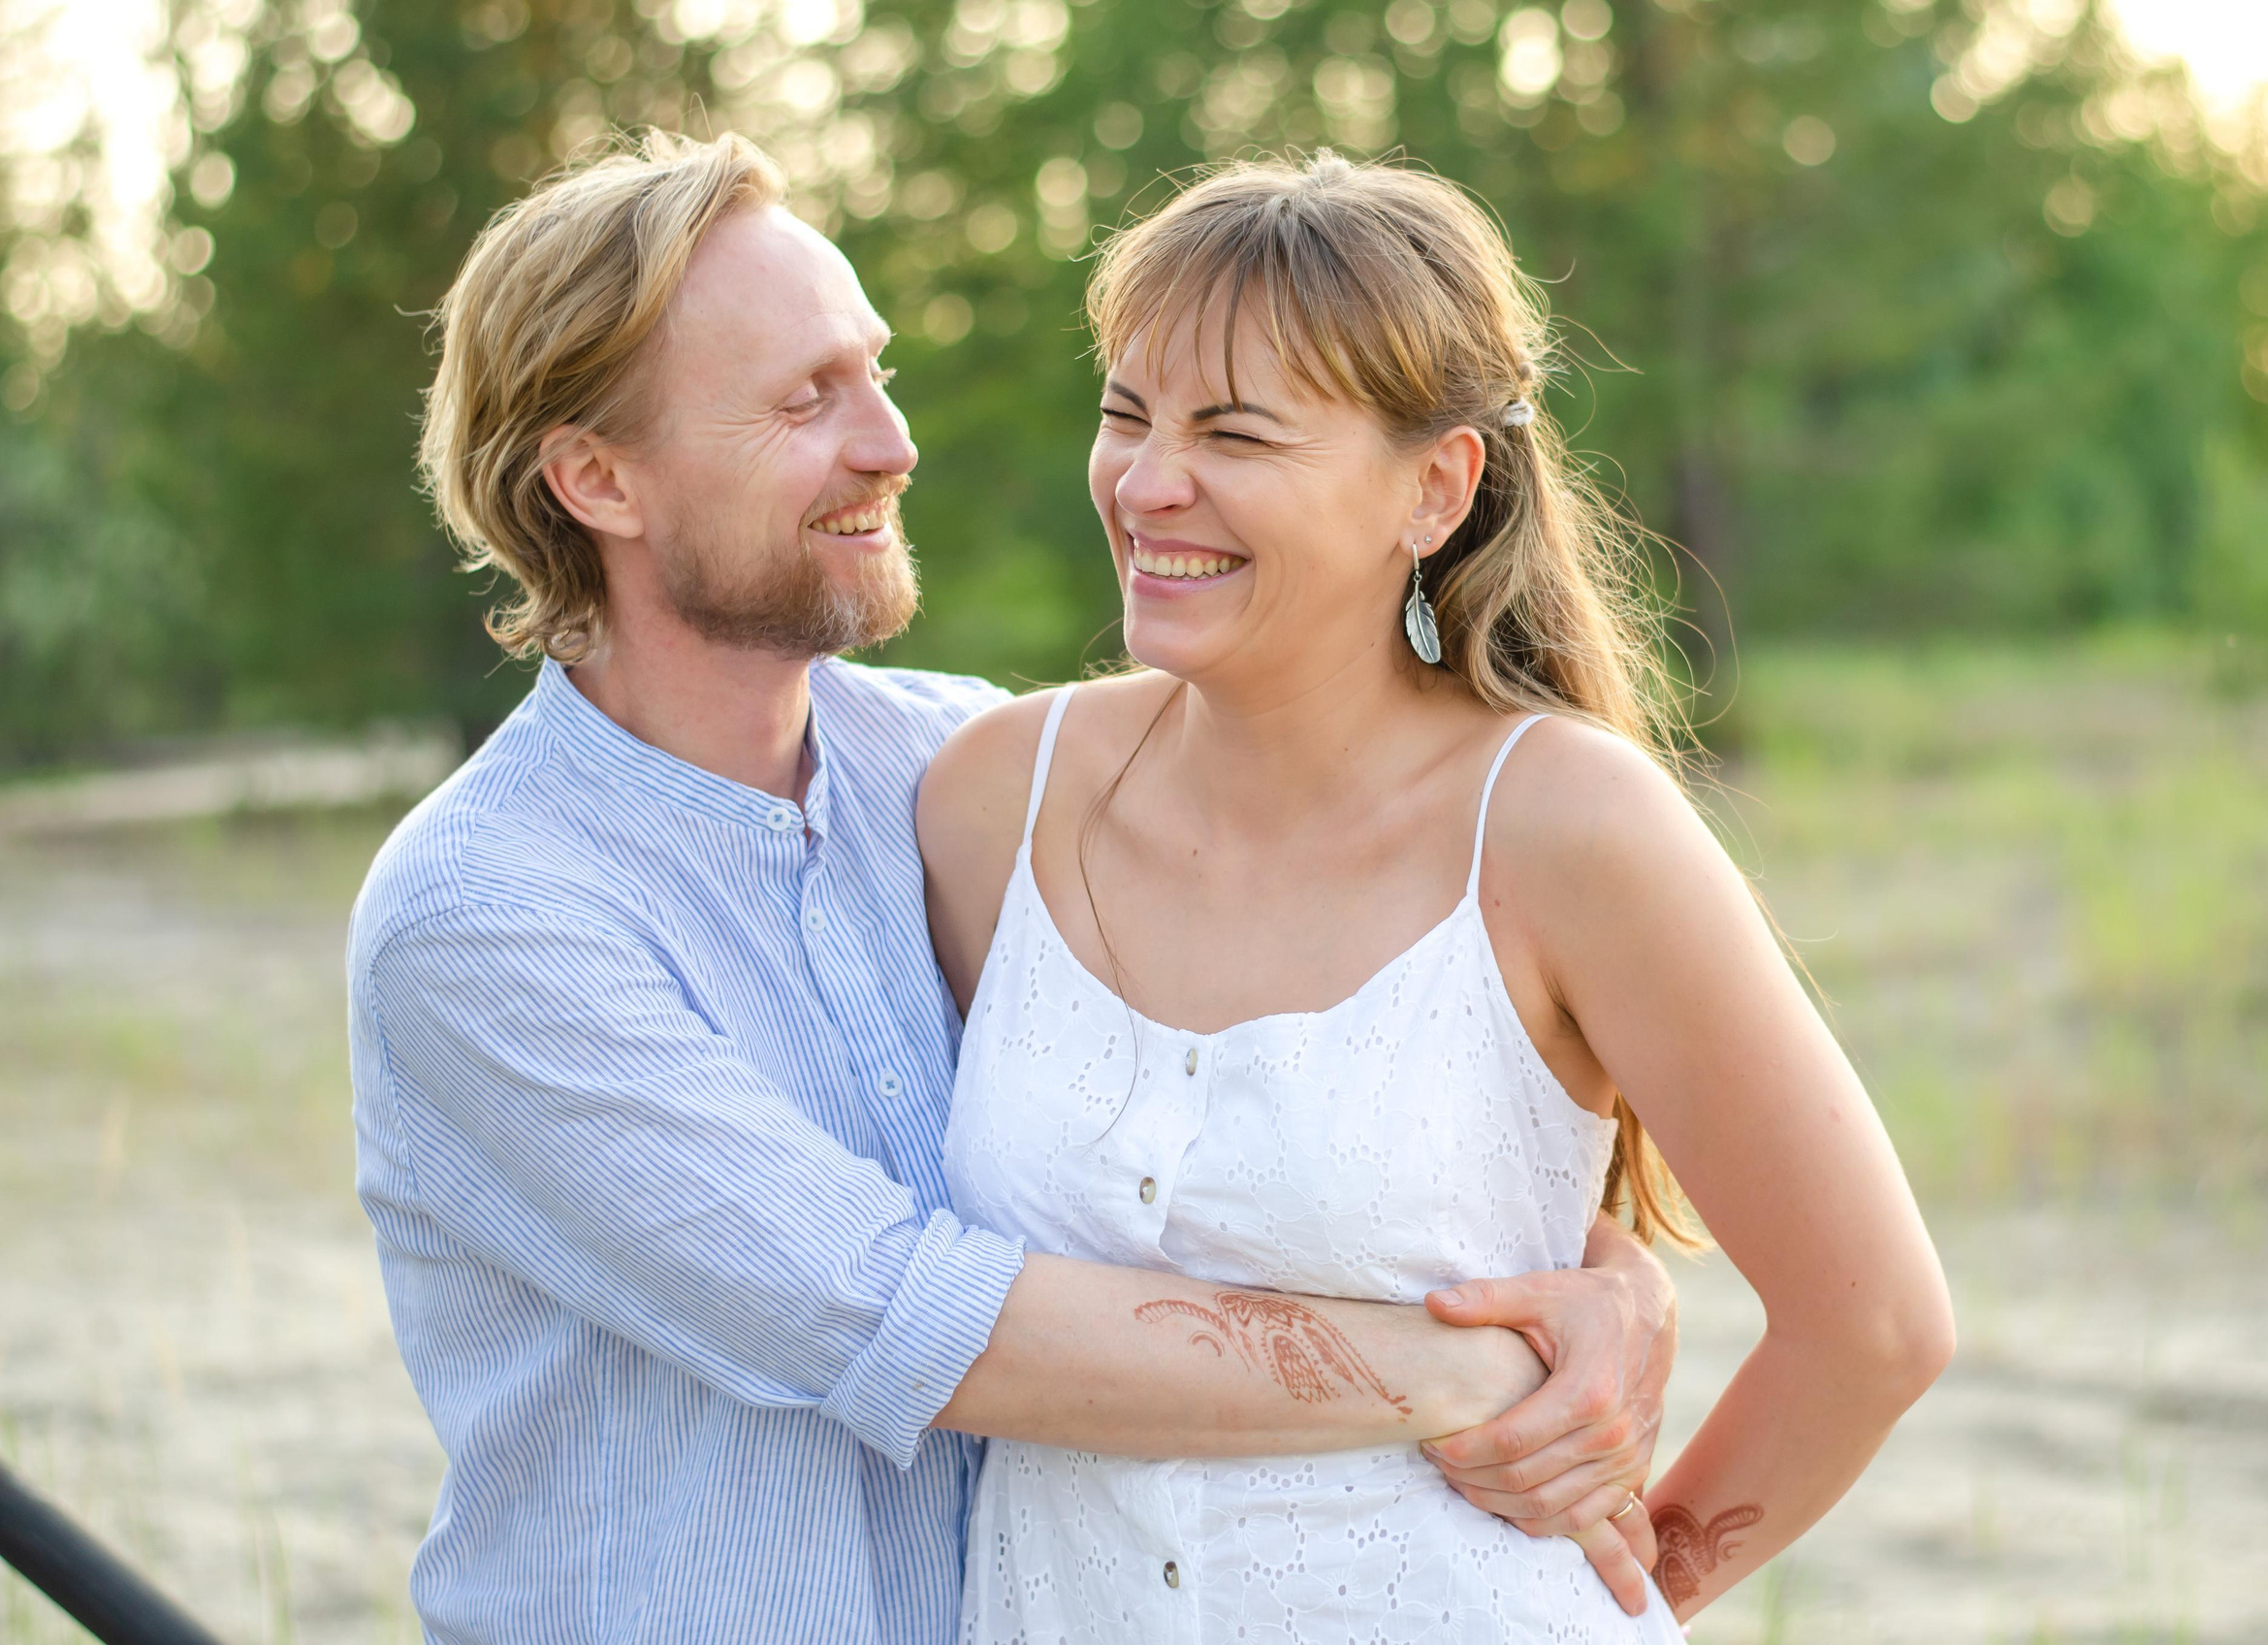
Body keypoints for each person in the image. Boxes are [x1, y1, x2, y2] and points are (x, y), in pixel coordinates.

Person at [347, 131, 1681, 1645]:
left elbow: (1260, 1135)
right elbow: (898, 1316)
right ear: (596, 477)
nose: (891, 443)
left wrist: (1595, 1280)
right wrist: (1468, 1366)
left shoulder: (969, 774)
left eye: (876, 370)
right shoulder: (489, 916)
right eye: (806, 400)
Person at [917, 153, 1956, 1641]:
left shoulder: (1568, 831)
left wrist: (1632, 1586)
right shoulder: (985, 805)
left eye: (1236, 433)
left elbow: (1874, 1327)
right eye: (1126, 413)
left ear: (1436, 487)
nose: (1149, 483)